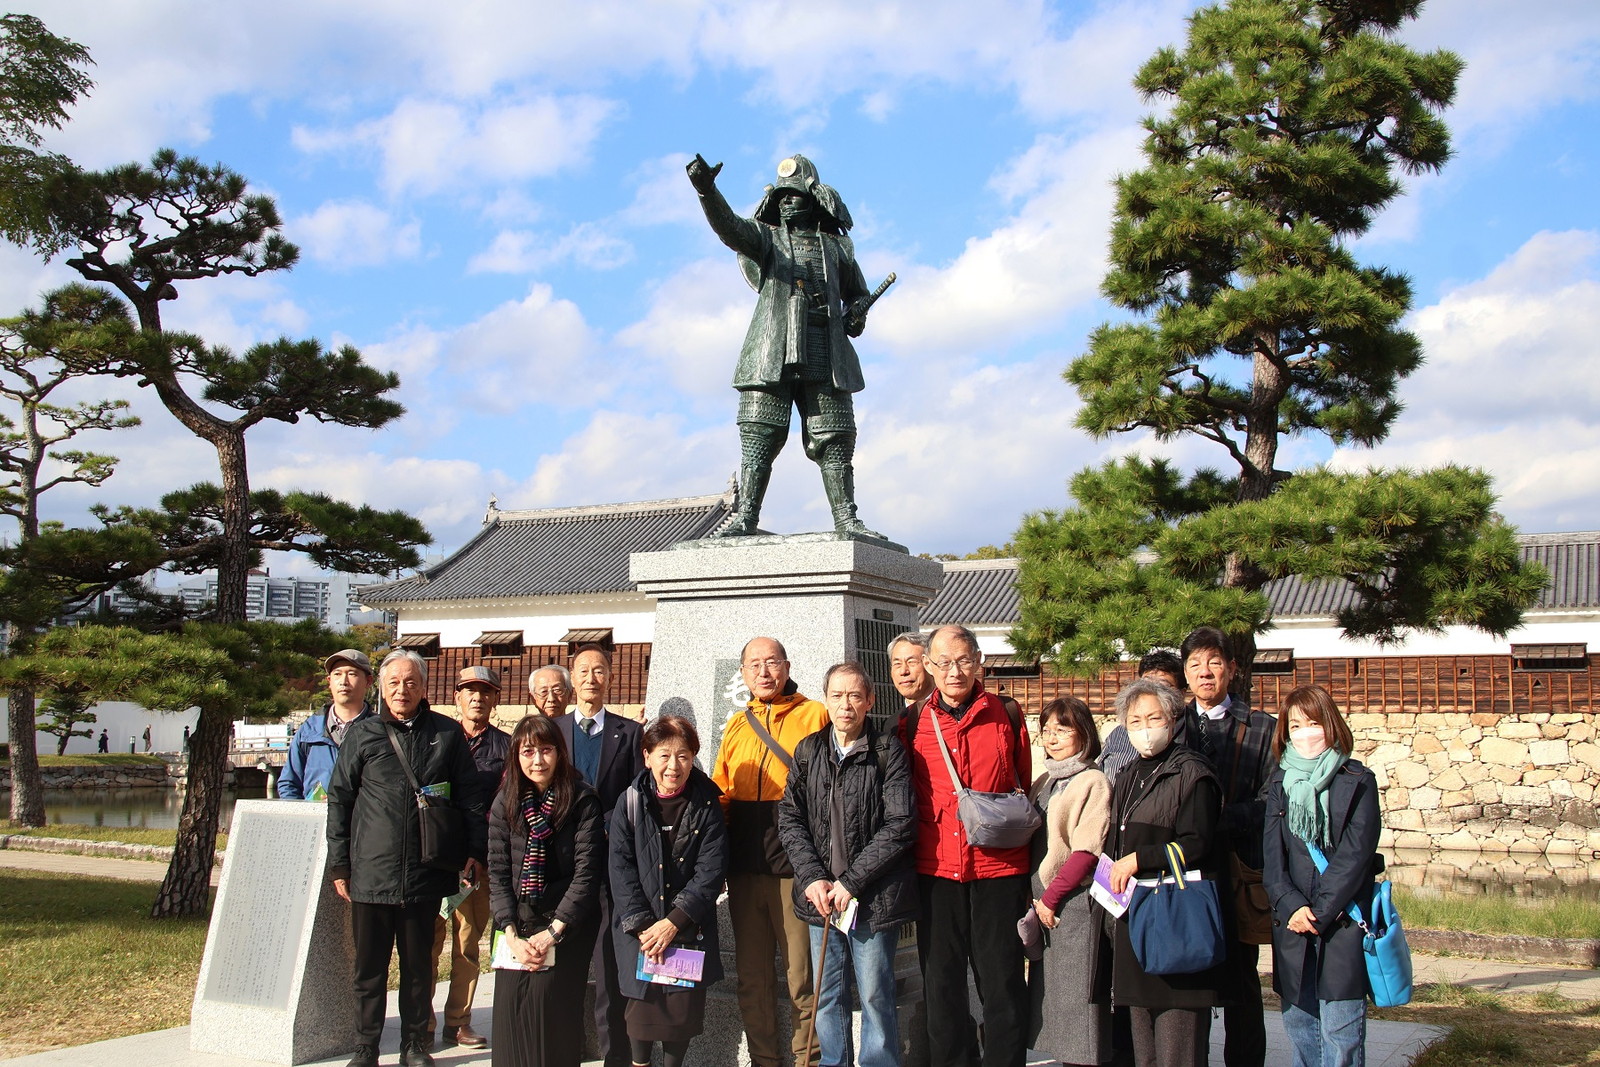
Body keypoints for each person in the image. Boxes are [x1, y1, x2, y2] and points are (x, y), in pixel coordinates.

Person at [686, 152, 882, 537]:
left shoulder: (839, 248)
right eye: (781, 198)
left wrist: (857, 313)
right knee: (759, 434)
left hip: (825, 348)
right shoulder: (768, 239)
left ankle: (846, 517)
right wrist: (707, 190)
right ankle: (745, 517)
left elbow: (856, 297)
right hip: (772, 347)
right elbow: (729, 229)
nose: (787, 203)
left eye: (794, 197)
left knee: (835, 437)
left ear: (815, 200)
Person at [325, 649, 487, 1067]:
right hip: (371, 871)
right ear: (381, 686)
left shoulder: (447, 734)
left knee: (418, 967)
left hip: (425, 870)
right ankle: (365, 1046)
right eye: (394, 682)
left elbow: (469, 797)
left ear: (424, 687)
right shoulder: (363, 735)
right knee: (369, 969)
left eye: (410, 682)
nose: (402, 690)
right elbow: (340, 800)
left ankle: (415, 1044)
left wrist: (473, 852)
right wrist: (340, 863)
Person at [901, 624, 1032, 1067]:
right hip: (936, 869)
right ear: (929, 666)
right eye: (943, 662)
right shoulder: (914, 721)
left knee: (1002, 985)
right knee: (941, 986)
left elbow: (1023, 782)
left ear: (979, 662)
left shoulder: (1007, 714)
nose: (954, 671)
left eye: (963, 661)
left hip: (999, 869)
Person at [777, 662, 916, 1067]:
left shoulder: (887, 751)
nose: (846, 705)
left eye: (855, 696)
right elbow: (790, 817)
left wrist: (851, 883)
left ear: (870, 701)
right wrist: (813, 878)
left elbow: (900, 824)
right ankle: (833, 1061)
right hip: (822, 897)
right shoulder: (809, 750)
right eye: (837, 696)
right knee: (827, 991)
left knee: (874, 992)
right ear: (826, 700)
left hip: (871, 897)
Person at [711, 636, 829, 1067]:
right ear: (742, 674)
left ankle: (807, 1059)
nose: (764, 672)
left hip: (795, 867)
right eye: (754, 664)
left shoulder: (815, 713)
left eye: (772, 662)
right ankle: (764, 1059)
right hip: (744, 865)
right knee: (752, 976)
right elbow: (722, 791)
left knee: (801, 976)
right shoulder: (737, 724)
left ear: (787, 665)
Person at [1104, 679, 1225, 1067]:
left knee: (1179, 1052)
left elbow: (1197, 844)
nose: (1145, 727)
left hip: (1175, 921)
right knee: (1145, 1053)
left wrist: (1139, 860)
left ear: (1173, 719)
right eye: (1135, 720)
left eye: (1154, 717)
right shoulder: (1127, 774)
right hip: (1134, 921)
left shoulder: (1192, 773)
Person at [1263, 685, 1381, 1067]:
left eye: (1313, 722)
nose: (1304, 732)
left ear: (1330, 725)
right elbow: (1272, 858)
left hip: (1342, 920)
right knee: (1301, 1030)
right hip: (1293, 924)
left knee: (1341, 1034)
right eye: (1295, 724)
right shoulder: (1280, 782)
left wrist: (1321, 912)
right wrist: (1292, 904)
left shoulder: (1358, 780)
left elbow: (1356, 855)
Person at [1179, 627, 1276, 1067]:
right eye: (1196, 663)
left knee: (1241, 981)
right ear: (1185, 672)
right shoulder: (1174, 725)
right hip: (1184, 869)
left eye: (1214, 662)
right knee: (1189, 976)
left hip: (1237, 868)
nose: (1205, 672)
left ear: (1233, 670)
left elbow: (1274, 800)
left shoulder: (1262, 728)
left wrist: (1216, 822)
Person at [610, 715, 729, 1067]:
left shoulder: (707, 803)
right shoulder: (629, 802)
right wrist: (647, 927)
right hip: (640, 930)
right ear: (647, 756)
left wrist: (674, 922)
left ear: (693, 758)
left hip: (687, 926)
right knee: (640, 1008)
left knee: (681, 1012)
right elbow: (620, 868)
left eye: (683, 756)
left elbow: (711, 870)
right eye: (664, 755)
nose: (673, 766)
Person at [489, 713, 606, 1067]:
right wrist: (509, 932)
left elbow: (587, 874)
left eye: (546, 750)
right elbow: (497, 871)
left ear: (560, 753)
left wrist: (553, 932)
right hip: (518, 926)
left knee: (553, 1019)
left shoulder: (583, 800)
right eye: (528, 752)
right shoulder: (505, 802)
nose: (537, 760)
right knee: (512, 1019)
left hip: (566, 928)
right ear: (516, 756)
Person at [554, 648, 645, 1067]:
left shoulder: (629, 734)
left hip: (610, 867)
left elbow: (634, 797)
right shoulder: (551, 732)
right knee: (564, 968)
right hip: (561, 868)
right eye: (584, 671)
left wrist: (602, 824)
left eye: (599, 671)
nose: (591, 678)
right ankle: (563, 1050)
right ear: (572, 679)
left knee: (611, 970)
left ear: (611, 677)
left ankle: (616, 1057)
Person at [1027, 697, 1112, 1067]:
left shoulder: (1092, 779)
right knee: (1057, 1004)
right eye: (1046, 730)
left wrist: (1051, 898)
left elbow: (1087, 850)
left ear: (1084, 733)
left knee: (1079, 1005)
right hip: (1044, 905)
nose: (1053, 738)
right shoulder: (1045, 780)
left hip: (1073, 904)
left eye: (1063, 730)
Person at [431, 665, 510, 1050]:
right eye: (469, 691)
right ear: (457, 697)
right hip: (436, 856)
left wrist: (479, 852)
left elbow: (505, 803)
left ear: (496, 699)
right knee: (428, 938)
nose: (477, 697)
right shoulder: (437, 738)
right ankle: (421, 1020)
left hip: (479, 860)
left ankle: (458, 1021)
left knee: (467, 942)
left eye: (485, 691)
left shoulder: (506, 747)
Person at [280, 649, 374, 801]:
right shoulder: (310, 729)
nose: (343, 681)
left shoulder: (378, 730)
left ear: (368, 681)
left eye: (352, 674)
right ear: (329, 682)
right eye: (337, 674)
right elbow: (289, 783)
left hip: (361, 822)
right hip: (315, 820)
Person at [1099, 649, 1185, 787]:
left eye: (1163, 686)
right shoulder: (1119, 734)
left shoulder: (1193, 731)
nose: (1152, 692)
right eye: (1146, 685)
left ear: (1181, 694)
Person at [888, 631, 934, 713]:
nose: (903, 671)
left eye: (911, 662)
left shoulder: (952, 712)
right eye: (897, 664)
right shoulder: (892, 723)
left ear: (929, 665)